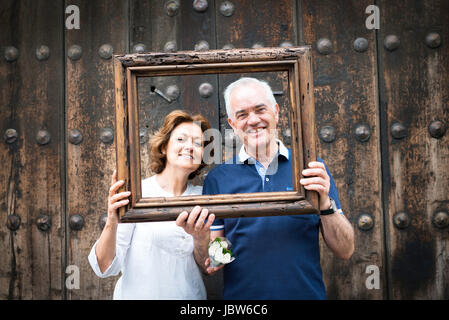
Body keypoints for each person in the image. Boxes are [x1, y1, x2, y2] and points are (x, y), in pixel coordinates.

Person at [197, 77, 355, 299]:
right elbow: (215, 262)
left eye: (260, 109)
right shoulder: (218, 179)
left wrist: (325, 204)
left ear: (276, 112)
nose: (253, 120)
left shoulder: (311, 170)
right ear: (232, 124)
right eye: (242, 114)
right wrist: (199, 238)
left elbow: (345, 250)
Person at [88, 110, 216, 299]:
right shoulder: (137, 194)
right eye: (181, 139)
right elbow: (105, 267)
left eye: (198, 143)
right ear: (164, 147)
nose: (190, 146)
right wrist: (112, 221)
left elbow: (211, 266)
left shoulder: (205, 198)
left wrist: (200, 239)